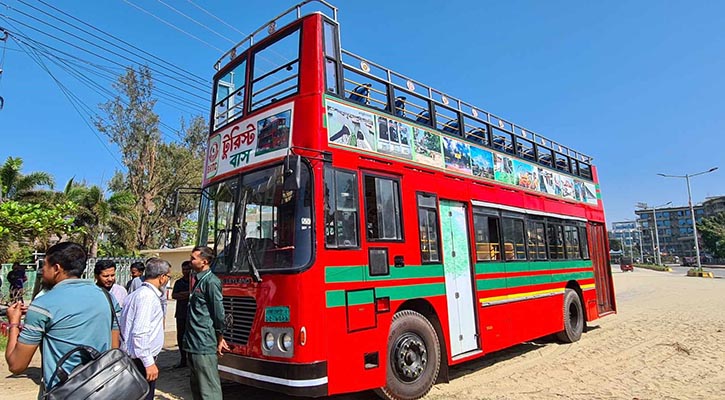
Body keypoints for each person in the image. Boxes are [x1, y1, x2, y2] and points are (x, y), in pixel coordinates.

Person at [4, 242, 120, 396]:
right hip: (101, 390)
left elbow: (16, 365)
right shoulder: (108, 298)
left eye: (44, 265)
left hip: (63, 392)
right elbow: (113, 349)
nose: (42, 271)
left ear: (57, 268)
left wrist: (13, 322)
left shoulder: (43, 304)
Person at [120, 257, 171, 400]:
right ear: (162, 277)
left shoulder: (138, 294)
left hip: (137, 358)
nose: (167, 280)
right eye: (168, 276)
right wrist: (148, 363)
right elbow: (140, 333)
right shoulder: (146, 297)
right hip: (140, 360)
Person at [183, 246, 229, 399]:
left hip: (204, 343)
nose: (190, 261)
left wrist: (220, 336)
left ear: (204, 261)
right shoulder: (196, 278)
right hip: (192, 342)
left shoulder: (211, 282)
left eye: (193, 258)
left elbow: (218, 313)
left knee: (209, 389)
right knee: (196, 387)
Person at [171, 260, 192, 368]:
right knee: (180, 337)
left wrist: (186, 295)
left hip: (192, 315)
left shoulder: (195, 281)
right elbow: (174, 295)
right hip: (181, 313)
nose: (186, 271)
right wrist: (187, 295)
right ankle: (183, 359)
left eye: (188, 269)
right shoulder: (179, 283)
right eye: (184, 269)